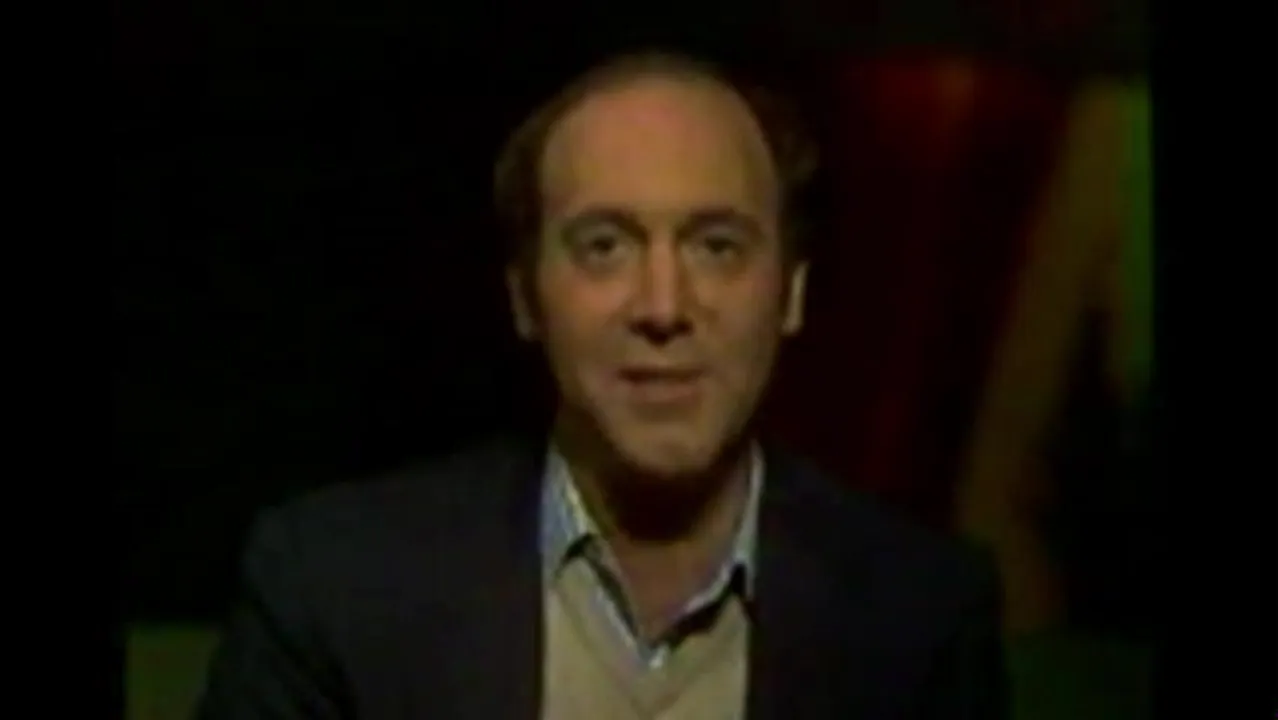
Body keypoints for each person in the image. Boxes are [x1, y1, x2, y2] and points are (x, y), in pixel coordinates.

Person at [197, 50, 1009, 720]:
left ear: (791, 292)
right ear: (526, 297)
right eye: (604, 247)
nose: (663, 307)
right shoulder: (334, 589)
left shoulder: (919, 615)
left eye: (717, 246)